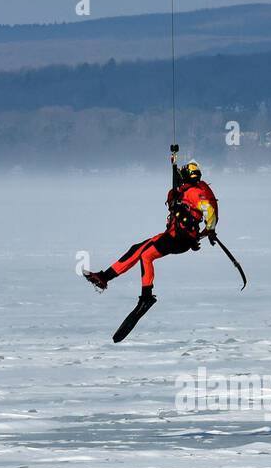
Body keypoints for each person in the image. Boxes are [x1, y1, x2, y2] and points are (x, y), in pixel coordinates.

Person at [83, 145, 219, 342]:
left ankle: (145, 296)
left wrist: (210, 229)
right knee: (137, 249)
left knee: (145, 254)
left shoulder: (193, 192)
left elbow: (209, 210)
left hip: (177, 237)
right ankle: (106, 278)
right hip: (177, 236)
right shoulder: (191, 189)